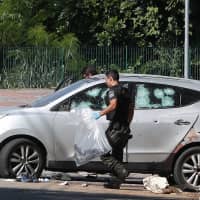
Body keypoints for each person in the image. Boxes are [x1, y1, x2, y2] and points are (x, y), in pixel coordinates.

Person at [93, 69, 134, 189]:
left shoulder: (113, 90)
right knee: (117, 155)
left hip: (115, 127)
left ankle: (122, 171)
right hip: (124, 127)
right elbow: (131, 108)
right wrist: (127, 123)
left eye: (106, 80)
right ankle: (115, 183)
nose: (105, 82)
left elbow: (113, 105)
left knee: (102, 151)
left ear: (111, 79)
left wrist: (99, 114)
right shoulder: (125, 90)